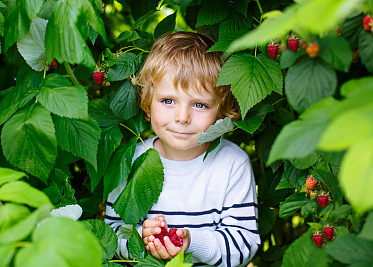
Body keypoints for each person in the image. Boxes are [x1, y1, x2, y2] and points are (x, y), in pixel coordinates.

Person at [104, 31, 260, 266]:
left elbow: (244, 245)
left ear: (222, 108)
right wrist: (142, 241)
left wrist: (190, 243)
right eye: (168, 101)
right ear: (148, 101)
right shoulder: (131, 160)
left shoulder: (232, 164)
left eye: (199, 104)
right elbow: (112, 233)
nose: (182, 117)